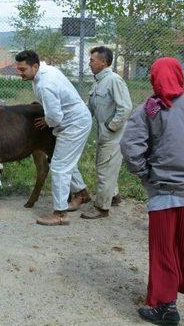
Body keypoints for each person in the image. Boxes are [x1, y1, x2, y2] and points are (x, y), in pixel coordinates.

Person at [121, 57, 184, 325]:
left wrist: (144, 174)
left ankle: (164, 307)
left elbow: (131, 144)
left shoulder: (151, 107)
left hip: (164, 191)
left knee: (164, 249)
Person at [15, 50, 92, 225]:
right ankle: (82, 193)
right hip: (73, 119)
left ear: (35, 66)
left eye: (23, 69)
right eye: (18, 69)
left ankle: (60, 214)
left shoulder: (45, 83)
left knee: (59, 166)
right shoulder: (44, 71)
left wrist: (48, 121)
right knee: (65, 161)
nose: (20, 73)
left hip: (74, 123)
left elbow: (55, 117)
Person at [80, 46, 132, 219]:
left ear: (103, 62)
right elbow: (91, 108)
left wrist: (112, 127)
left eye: (92, 60)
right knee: (106, 166)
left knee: (104, 169)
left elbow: (125, 108)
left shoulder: (113, 80)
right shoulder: (99, 81)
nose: (89, 63)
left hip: (112, 135)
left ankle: (102, 208)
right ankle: (114, 196)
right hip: (104, 134)